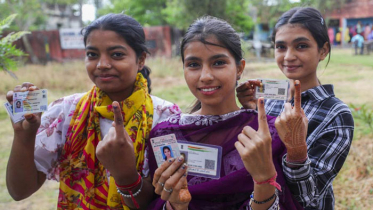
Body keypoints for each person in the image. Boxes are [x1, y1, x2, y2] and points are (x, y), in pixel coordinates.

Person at [5, 13, 181, 210]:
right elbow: (19, 192)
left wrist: (126, 176)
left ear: (140, 60)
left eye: (116, 54)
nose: (102, 65)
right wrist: (24, 136)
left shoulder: (165, 116)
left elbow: (169, 199)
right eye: (92, 54)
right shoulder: (66, 112)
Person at [146, 16, 302, 210]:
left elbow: (292, 200)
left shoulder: (269, 133)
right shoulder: (165, 135)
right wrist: (176, 204)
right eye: (193, 65)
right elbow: (157, 200)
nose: (206, 76)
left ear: (239, 68)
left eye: (218, 62)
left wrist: (264, 180)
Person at [237, 7, 354, 210]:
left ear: (323, 50)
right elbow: (254, 161)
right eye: (281, 47)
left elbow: (309, 198)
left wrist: (296, 150)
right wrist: (250, 113)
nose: (288, 56)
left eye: (301, 46)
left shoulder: (336, 114)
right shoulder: (269, 100)